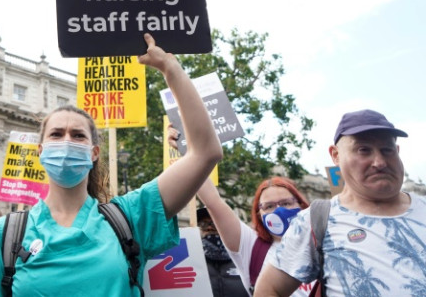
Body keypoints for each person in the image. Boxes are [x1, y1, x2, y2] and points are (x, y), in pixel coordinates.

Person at [0, 33, 223, 296]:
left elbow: (205, 153)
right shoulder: (2, 235)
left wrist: (170, 67)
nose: (66, 141)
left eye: (78, 136)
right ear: (41, 151)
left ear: (94, 152)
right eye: (56, 134)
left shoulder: (130, 217)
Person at [254, 109, 426, 296]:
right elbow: (269, 289)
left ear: (398, 152)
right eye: (364, 150)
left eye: (387, 150)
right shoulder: (315, 221)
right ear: (335, 155)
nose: (379, 162)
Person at [170, 126, 312, 296]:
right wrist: (188, 152)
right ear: (259, 215)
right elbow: (213, 201)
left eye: (286, 203)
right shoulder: (251, 246)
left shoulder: (322, 245)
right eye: (269, 206)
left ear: (301, 205)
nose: (279, 210)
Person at [197, 207, 248, 297]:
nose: (209, 227)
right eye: (203, 224)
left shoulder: (245, 259)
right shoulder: (191, 262)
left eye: (215, 223)